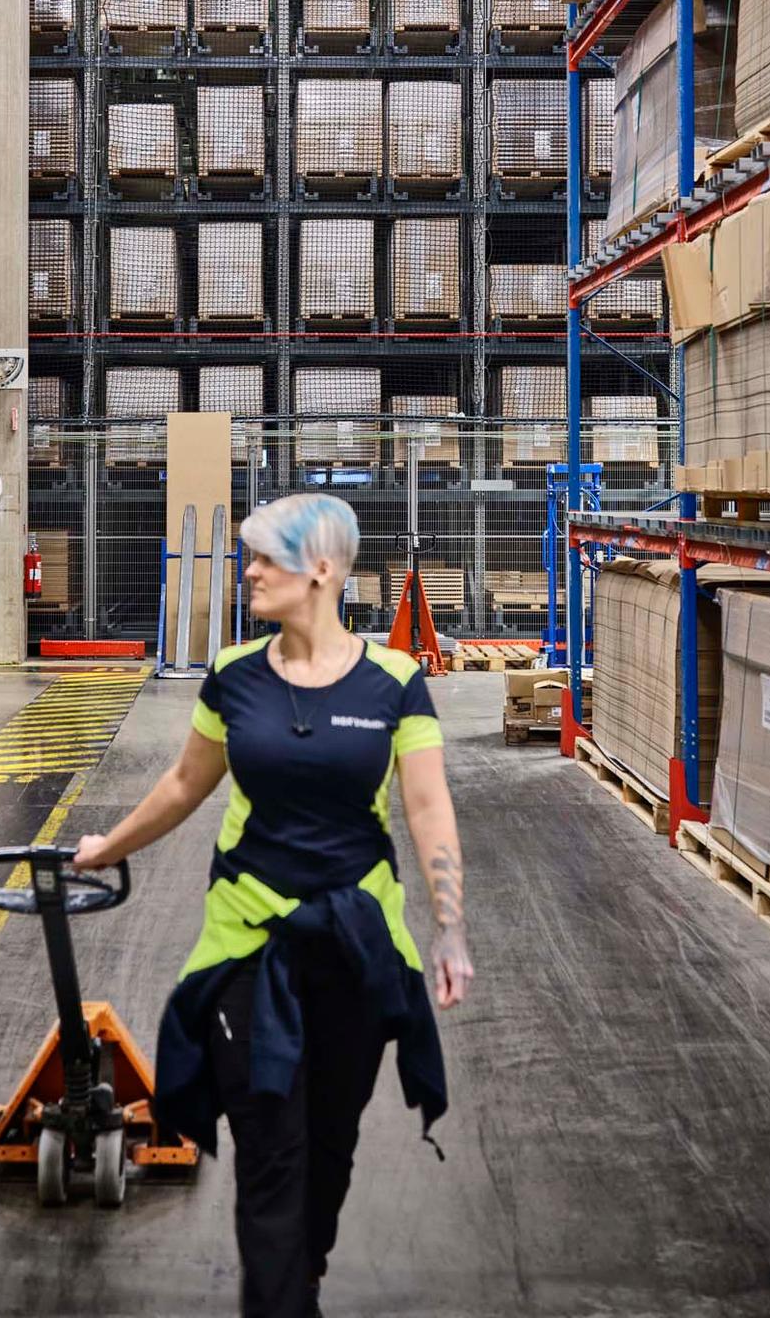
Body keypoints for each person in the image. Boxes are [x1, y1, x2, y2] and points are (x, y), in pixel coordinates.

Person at [72, 492, 473, 1316]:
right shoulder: (233, 675)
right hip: (247, 945)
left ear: (321, 570)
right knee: (271, 1155)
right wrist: (108, 846)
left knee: (329, 1143)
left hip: (355, 945)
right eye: (248, 556)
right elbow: (186, 783)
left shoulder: (396, 683)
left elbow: (428, 805)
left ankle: (305, 1270)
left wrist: (449, 926)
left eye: (265, 558)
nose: (248, 571)